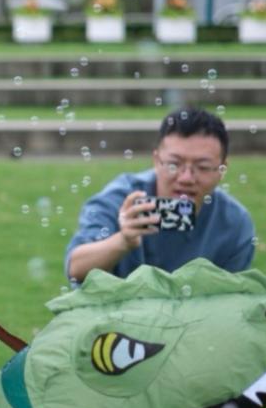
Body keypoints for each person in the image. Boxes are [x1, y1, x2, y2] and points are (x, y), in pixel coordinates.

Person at [65, 107, 255, 284]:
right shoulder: (121, 199)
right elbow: (76, 269)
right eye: (174, 164)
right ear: (156, 161)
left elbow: (227, 299)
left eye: (202, 167)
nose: (186, 178)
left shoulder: (234, 224)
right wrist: (123, 241)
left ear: (222, 169)